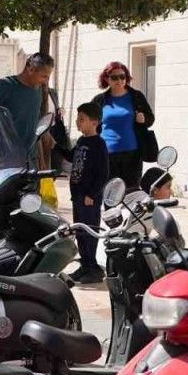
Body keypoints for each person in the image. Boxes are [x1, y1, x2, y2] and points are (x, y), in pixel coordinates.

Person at [91, 62, 157, 192]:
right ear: (107, 79)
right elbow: (88, 122)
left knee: (131, 193)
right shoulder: (100, 100)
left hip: (132, 154)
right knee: (110, 193)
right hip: (107, 154)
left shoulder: (136, 96)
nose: (119, 80)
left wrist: (144, 118)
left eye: (122, 76)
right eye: (114, 77)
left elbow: (150, 119)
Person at [64, 103, 109, 284]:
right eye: (78, 118)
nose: (78, 122)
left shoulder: (99, 144)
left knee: (90, 232)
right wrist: (54, 145)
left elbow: (103, 173)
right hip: (77, 195)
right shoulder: (81, 141)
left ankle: (93, 268)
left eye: (82, 119)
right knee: (80, 232)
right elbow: (70, 157)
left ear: (95, 122)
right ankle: (85, 264)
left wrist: (92, 194)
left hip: (89, 198)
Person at [0, 53, 55, 159]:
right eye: (44, 76)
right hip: (5, 158)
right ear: (30, 69)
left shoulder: (38, 90)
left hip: (30, 158)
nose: (46, 81)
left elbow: (36, 128)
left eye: (48, 77)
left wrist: (41, 160)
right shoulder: (3, 87)